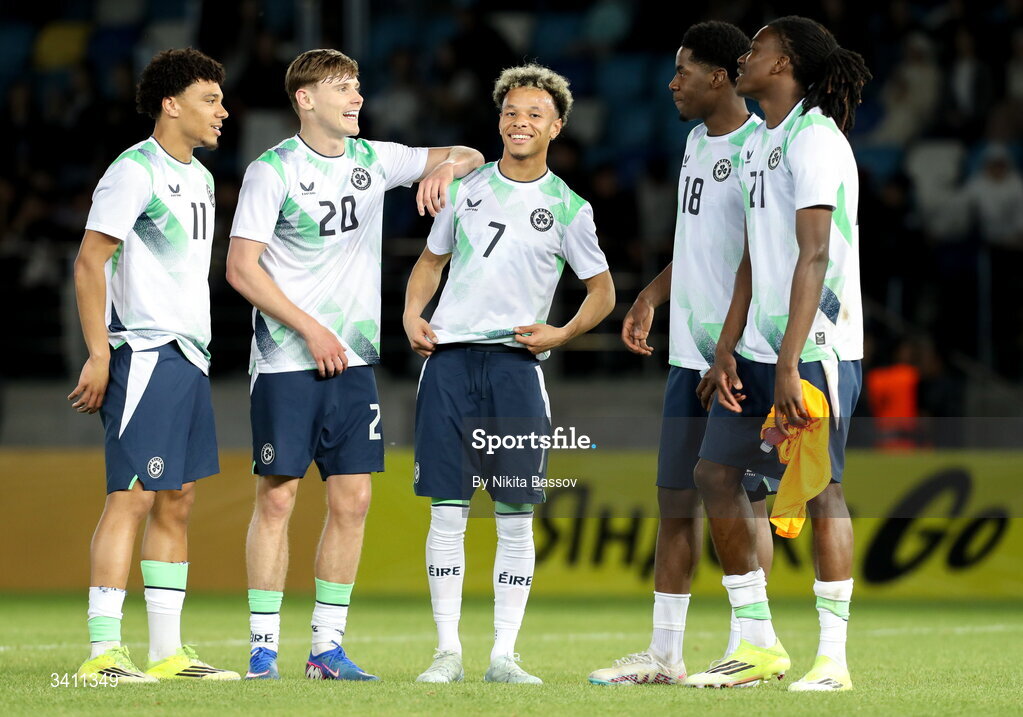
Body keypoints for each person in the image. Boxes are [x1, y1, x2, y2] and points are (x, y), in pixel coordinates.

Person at [226, 48, 484, 682]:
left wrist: (446, 167)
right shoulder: (273, 171)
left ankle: (325, 649)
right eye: (342, 87)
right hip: (288, 360)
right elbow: (239, 268)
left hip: (355, 362)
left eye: (359, 86)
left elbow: (474, 155)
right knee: (279, 498)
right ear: (306, 100)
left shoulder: (375, 158)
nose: (357, 97)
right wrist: (311, 329)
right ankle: (263, 649)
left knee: (354, 499)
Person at [403, 64, 614, 685]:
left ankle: (503, 655)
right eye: (511, 113)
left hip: (518, 369)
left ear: (557, 126)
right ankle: (446, 653)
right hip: (449, 364)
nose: (520, 123)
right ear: (499, 120)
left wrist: (563, 333)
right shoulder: (466, 188)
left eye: (534, 115)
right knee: (447, 511)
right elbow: (429, 262)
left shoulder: (569, 208)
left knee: (516, 513)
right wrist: (413, 313)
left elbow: (601, 291)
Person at [586, 21, 775, 687]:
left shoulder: (759, 149)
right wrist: (650, 296)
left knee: (741, 498)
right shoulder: (696, 142)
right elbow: (696, 244)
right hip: (686, 355)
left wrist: (731, 346)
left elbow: (762, 261)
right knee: (673, 498)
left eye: (683, 70)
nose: (671, 83)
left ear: (719, 76)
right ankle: (664, 654)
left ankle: (749, 645)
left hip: (738, 356)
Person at [686, 16, 871, 691]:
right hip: (760, 350)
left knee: (822, 491)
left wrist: (791, 361)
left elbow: (814, 254)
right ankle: (758, 642)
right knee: (715, 475)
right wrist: (727, 347)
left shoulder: (815, 139)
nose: (744, 56)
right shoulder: (764, 139)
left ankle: (833, 659)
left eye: (756, 48)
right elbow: (749, 259)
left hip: (815, 347)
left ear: (785, 60)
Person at [69, 48, 238, 683]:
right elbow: (90, 261)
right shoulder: (132, 171)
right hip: (143, 350)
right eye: (209, 99)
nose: (222, 111)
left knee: (178, 498)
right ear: (171, 105)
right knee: (132, 497)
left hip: (189, 353)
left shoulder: (200, 177)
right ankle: (103, 654)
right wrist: (98, 351)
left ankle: (168, 653)